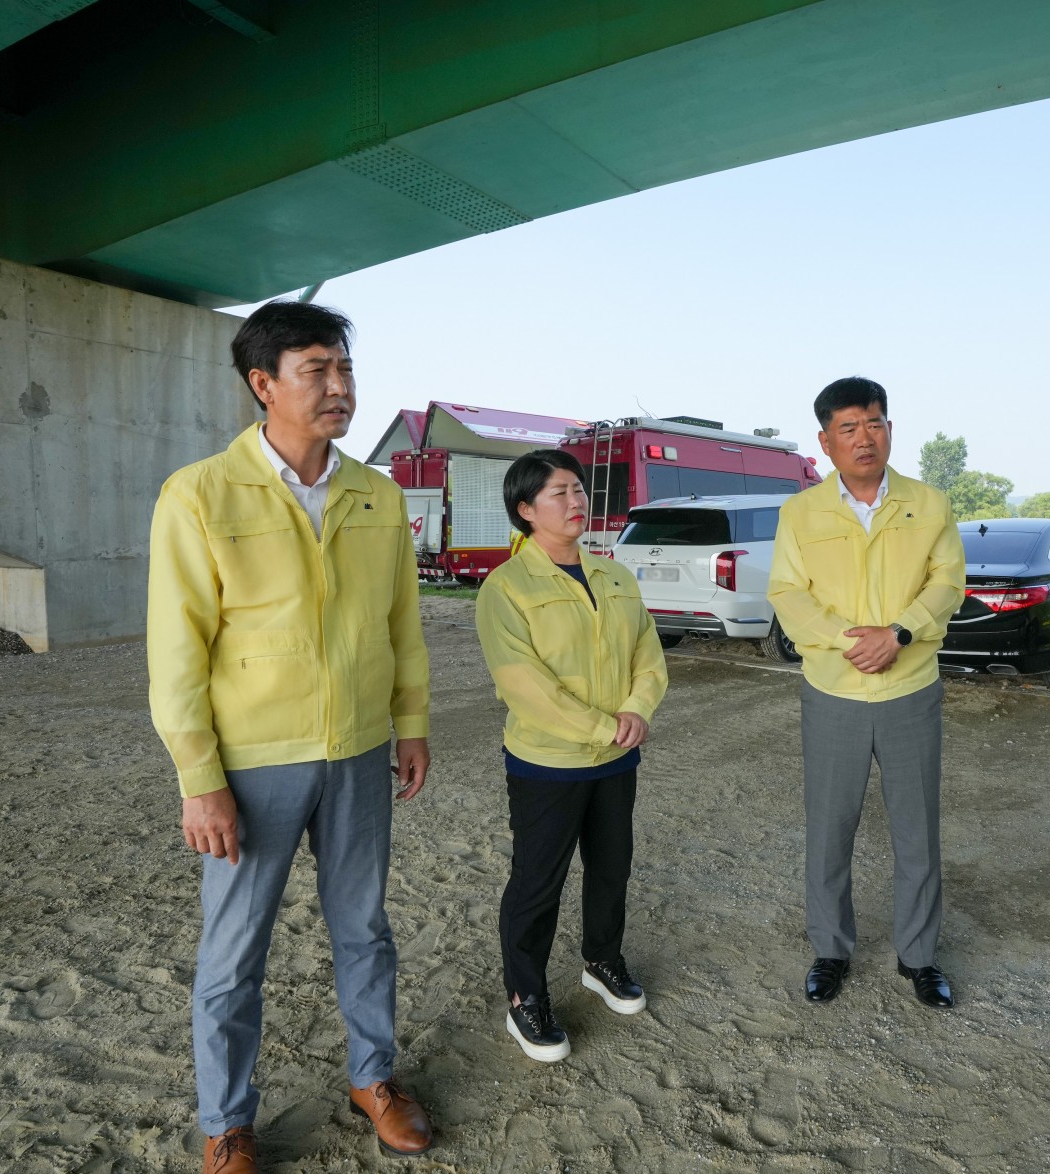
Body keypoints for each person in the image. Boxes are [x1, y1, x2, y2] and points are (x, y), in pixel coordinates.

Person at [147, 300, 434, 1174]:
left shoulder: (376, 495)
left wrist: (410, 724)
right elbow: (176, 648)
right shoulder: (199, 493)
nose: (339, 388)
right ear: (262, 383)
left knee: (365, 930)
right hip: (252, 765)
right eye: (317, 371)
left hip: (354, 751)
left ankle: (373, 1077)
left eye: (344, 369)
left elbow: (402, 623)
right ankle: (226, 1121)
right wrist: (201, 778)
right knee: (234, 953)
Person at [767, 376, 966, 1009]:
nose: (865, 438)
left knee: (918, 831)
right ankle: (830, 949)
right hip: (833, 689)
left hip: (910, 686)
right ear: (826, 441)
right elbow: (787, 593)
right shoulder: (801, 513)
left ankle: (920, 957)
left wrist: (899, 633)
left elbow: (946, 583)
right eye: (849, 428)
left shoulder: (929, 504)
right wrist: (849, 639)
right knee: (830, 828)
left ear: (889, 429)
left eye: (875, 423)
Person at [475, 448, 667, 1062]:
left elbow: (648, 653)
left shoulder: (615, 577)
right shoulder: (507, 588)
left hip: (616, 758)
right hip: (547, 763)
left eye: (578, 490)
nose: (576, 501)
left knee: (612, 868)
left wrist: (636, 710)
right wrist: (602, 726)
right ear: (526, 510)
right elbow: (523, 683)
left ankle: (602, 961)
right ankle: (525, 998)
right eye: (559, 493)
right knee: (538, 882)